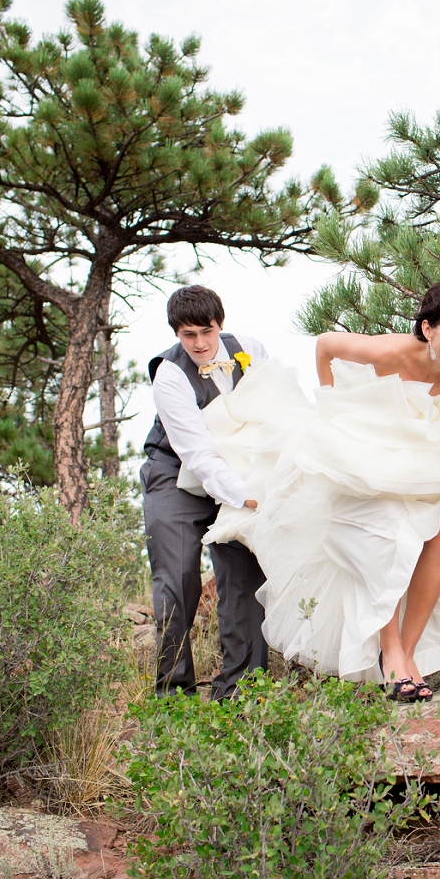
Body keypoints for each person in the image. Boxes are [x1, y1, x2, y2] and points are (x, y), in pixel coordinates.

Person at [201, 281, 440, 702]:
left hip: (424, 449)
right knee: (388, 539)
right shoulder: (390, 352)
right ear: (427, 327)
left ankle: (409, 650)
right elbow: (325, 345)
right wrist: (331, 410)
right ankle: (389, 650)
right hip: (369, 445)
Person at [141, 285, 269, 699]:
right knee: (177, 578)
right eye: (187, 335)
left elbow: (273, 412)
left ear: (220, 324)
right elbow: (196, 453)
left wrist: (262, 482)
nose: (198, 343)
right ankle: (174, 693)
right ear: (176, 334)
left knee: (244, 571)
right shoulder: (170, 374)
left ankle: (241, 690)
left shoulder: (250, 350)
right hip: (176, 472)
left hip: (240, 469)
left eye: (205, 332)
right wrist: (244, 495)